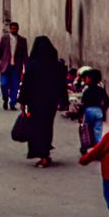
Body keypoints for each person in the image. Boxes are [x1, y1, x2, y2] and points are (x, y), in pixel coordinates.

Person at [18, 36, 67, 167]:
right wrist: (63, 101)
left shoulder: (32, 65)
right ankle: (45, 153)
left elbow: (26, 84)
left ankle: (43, 156)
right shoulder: (57, 65)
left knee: (37, 129)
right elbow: (62, 85)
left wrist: (23, 101)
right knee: (47, 127)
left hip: (35, 103)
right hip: (50, 103)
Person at [0, 22, 29, 110]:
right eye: (12, 28)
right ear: (10, 29)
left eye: (15, 28)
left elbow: (25, 55)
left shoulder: (22, 40)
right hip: (5, 66)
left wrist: (27, 67)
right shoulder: (4, 39)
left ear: (18, 29)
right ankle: (5, 99)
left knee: (15, 86)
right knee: (4, 84)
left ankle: (12, 103)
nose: (14, 30)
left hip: (16, 67)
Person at [80, 69, 109, 150]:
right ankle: (98, 147)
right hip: (98, 110)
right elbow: (107, 100)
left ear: (89, 79)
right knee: (97, 130)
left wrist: (80, 114)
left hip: (88, 110)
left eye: (86, 78)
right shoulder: (101, 90)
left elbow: (83, 103)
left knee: (86, 129)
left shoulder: (87, 91)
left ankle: (85, 146)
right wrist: (103, 109)